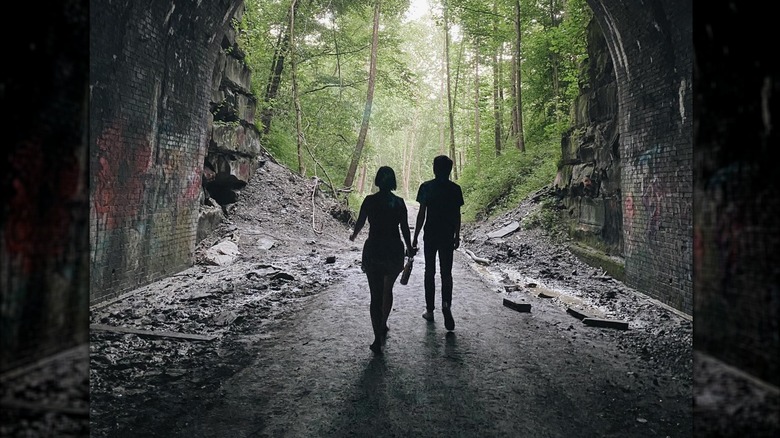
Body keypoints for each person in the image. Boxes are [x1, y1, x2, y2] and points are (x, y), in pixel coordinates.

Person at [349, 166, 415, 354]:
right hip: (393, 250)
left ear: (377, 180)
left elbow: (360, 222)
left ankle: (377, 338)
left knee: (375, 296)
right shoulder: (399, 202)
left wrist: (354, 235)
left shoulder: (370, 201)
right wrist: (410, 248)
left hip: (374, 249)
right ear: (393, 181)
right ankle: (383, 323)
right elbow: (404, 228)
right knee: (388, 290)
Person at [412, 155, 464, 331]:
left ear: (434, 169)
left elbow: (421, 214)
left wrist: (415, 236)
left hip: (431, 234)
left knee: (430, 271)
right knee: (446, 273)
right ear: (449, 170)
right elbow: (457, 215)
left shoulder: (426, 187)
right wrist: (457, 235)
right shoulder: (455, 189)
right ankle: (446, 304)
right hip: (447, 235)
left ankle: (430, 310)